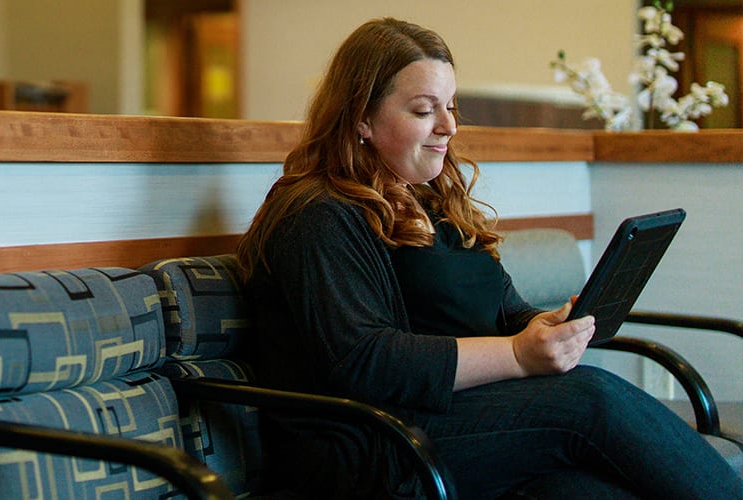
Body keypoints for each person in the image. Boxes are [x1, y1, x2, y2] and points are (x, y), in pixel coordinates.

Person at [236, 17, 743, 499]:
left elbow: (503, 311)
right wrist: (520, 356)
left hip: (456, 425)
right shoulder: (318, 213)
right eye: (423, 110)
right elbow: (366, 361)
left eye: (451, 107)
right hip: (375, 446)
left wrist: (542, 327)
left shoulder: (431, 200)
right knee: (592, 398)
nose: (448, 127)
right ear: (361, 118)